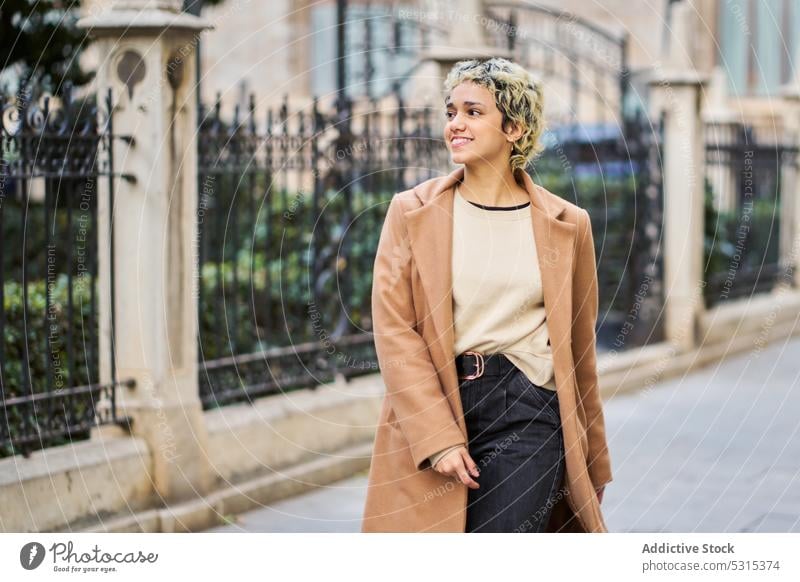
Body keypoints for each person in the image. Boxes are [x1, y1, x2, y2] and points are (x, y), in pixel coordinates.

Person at [362, 57, 612, 533]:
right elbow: (395, 330)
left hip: (530, 409)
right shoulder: (411, 211)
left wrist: (592, 457)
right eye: (451, 111)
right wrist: (437, 435)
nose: (455, 124)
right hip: (439, 398)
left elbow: (581, 353)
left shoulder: (567, 224)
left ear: (514, 128)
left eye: (473, 112)